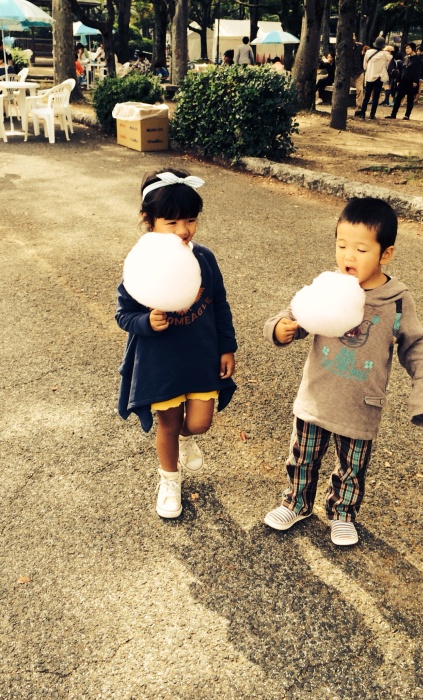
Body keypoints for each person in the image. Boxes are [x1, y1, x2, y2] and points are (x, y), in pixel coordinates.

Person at [263, 197, 423, 545]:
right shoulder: (328, 287)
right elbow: (294, 316)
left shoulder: (396, 301)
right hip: (317, 395)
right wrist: (280, 328)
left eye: (360, 249)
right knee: (302, 457)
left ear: (385, 253)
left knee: (352, 468)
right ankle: (296, 502)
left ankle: (342, 513)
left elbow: (415, 345)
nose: (347, 256)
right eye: (341, 245)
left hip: (361, 403)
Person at [115, 169, 237, 519]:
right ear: (148, 221)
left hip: (200, 358)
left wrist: (227, 347)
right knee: (168, 423)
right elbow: (124, 314)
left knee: (198, 422)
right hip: (161, 363)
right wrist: (146, 322)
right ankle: (169, 479)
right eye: (172, 222)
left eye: (191, 220)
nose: (185, 230)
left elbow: (219, 302)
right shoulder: (141, 265)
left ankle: (188, 439)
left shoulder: (205, 258)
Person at [385, 42, 423, 120]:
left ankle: (407, 115)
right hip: (403, 80)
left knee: (410, 99)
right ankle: (393, 114)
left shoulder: (417, 59)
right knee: (398, 98)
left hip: (411, 81)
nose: (407, 50)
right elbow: (402, 70)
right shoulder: (405, 58)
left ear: (413, 49)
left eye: (408, 48)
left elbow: (417, 71)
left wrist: (415, 81)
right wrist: (398, 80)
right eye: (406, 48)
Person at [359, 37, 391, 120]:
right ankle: (372, 114)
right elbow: (387, 64)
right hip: (379, 77)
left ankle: (362, 113)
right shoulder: (385, 54)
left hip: (370, 75)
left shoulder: (368, 52)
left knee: (367, 96)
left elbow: (364, 65)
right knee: (376, 97)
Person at [350, 36, 365, 116]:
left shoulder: (360, 47)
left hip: (359, 71)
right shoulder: (346, 47)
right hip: (349, 72)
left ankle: (359, 107)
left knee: (359, 89)